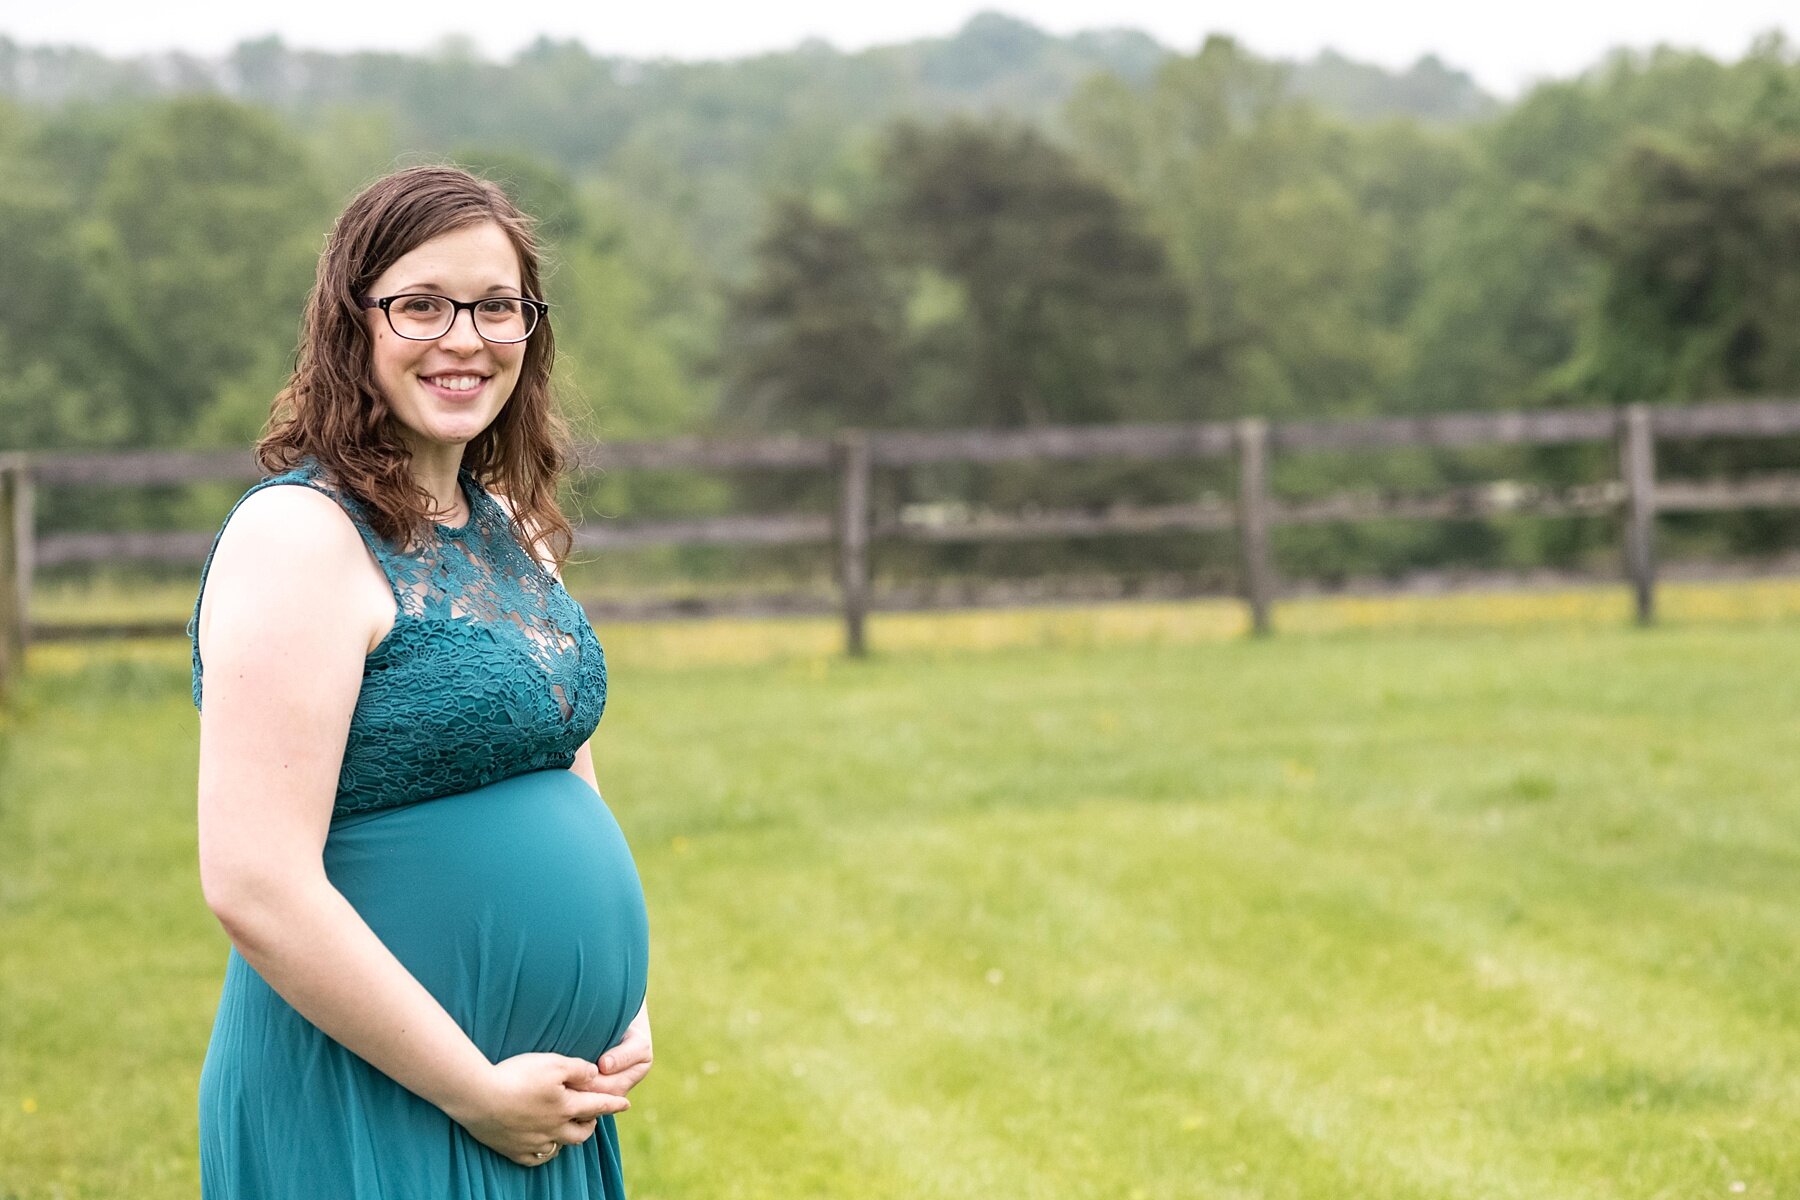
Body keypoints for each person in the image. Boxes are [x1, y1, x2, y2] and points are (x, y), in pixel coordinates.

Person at [187, 164, 652, 1198]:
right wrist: (472, 1088)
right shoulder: (299, 537)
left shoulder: (514, 530)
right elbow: (254, 881)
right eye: (422, 304)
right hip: (380, 1089)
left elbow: (561, 760)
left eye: (497, 307)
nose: (465, 337)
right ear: (353, 325)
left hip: (542, 1099)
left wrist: (622, 1002)